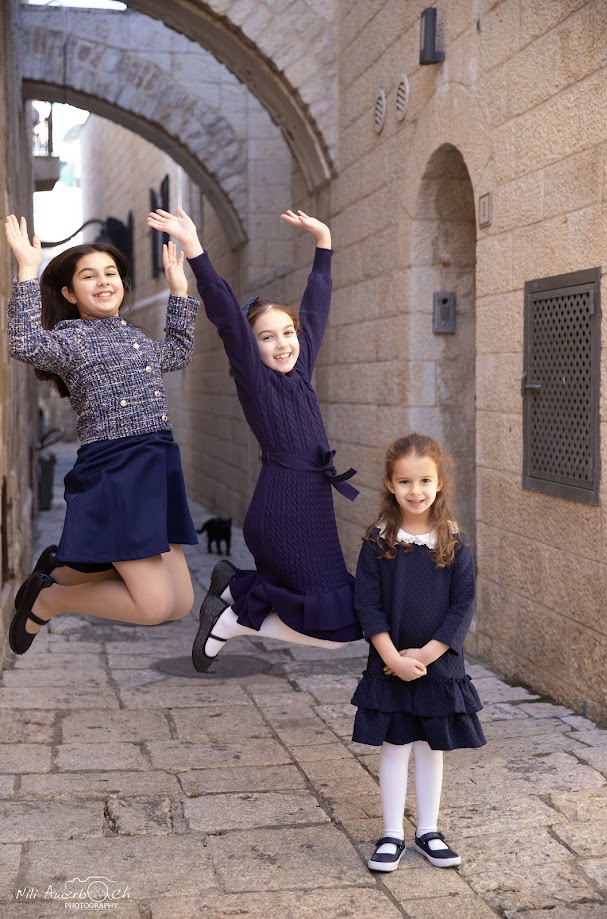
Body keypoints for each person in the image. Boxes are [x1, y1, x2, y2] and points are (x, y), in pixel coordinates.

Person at [147, 207, 362, 672]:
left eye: (287, 332)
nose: (282, 344)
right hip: (284, 509)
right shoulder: (256, 380)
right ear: (252, 347)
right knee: (336, 628)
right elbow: (226, 314)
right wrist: (195, 248)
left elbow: (317, 304)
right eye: (267, 337)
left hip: (312, 505)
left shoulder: (300, 371)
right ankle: (232, 622)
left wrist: (324, 243)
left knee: (343, 618)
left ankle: (233, 587)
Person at [5, 213, 200, 655]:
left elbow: (176, 353)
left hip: (157, 465)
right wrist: (28, 271)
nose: (103, 281)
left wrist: (179, 292)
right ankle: (49, 599)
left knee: (180, 604)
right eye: (89, 276)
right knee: (153, 606)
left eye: (110, 273)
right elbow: (24, 344)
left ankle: (67, 569)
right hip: (117, 469)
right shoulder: (69, 338)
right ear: (70, 293)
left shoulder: (134, 337)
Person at [351, 432, 485, 873]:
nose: (416, 491)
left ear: (439, 482)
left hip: (438, 666)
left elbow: (462, 605)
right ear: (390, 484)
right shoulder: (378, 540)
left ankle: (428, 830)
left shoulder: (454, 540)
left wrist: (425, 656)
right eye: (405, 481)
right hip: (389, 665)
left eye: (425, 480)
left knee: (431, 746)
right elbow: (367, 605)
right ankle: (391, 833)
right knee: (395, 745)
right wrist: (393, 658)